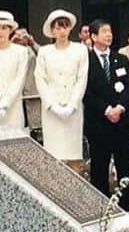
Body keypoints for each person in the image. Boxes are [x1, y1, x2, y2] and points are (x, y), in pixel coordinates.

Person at [82, 18, 129, 210]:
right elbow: (86, 92)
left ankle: (128, 206)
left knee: (125, 167)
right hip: (99, 122)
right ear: (93, 36)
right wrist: (106, 110)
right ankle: (101, 208)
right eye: (104, 31)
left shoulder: (120, 59)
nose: (108, 35)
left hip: (122, 122)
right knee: (99, 166)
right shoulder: (85, 61)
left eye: (110, 31)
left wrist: (119, 109)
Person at [34, 9, 89, 171]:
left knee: (73, 154)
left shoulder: (80, 49)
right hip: (52, 110)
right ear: (52, 31)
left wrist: (72, 104)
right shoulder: (44, 52)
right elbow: (40, 79)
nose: (62, 31)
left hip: (73, 109)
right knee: (53, 155)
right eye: (57, 28)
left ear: (70, 28)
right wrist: (52, 105)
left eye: (64, 27)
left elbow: (81, 78)